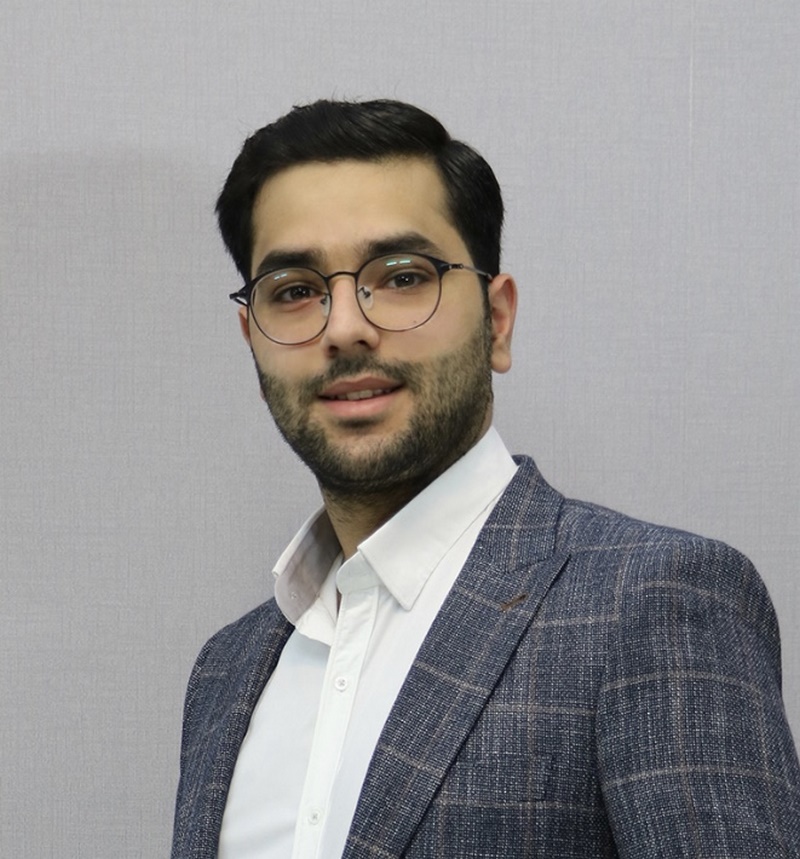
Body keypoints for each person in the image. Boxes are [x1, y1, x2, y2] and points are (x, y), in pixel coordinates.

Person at [171, 99, 800, 858]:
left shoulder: (651, 603)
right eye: (296, 290)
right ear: (253, 335)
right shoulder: (227, 671)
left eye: (402, 276)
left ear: (497, 320)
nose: (344, 328)